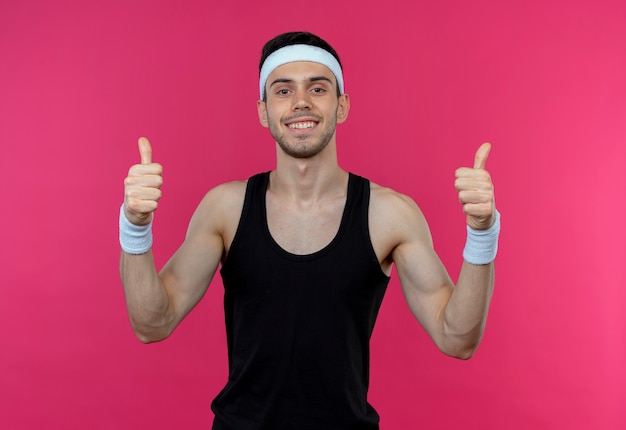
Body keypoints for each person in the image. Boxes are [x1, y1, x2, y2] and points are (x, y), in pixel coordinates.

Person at [119, 31, 500, 430]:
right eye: (283, 90)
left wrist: (482, 233)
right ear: (264, 111)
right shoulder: (225, 209)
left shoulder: (389, 214)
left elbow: (457, 338)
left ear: (342, 105)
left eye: (318, 88)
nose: (301, 101)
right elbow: (152, 323)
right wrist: (135, 227)